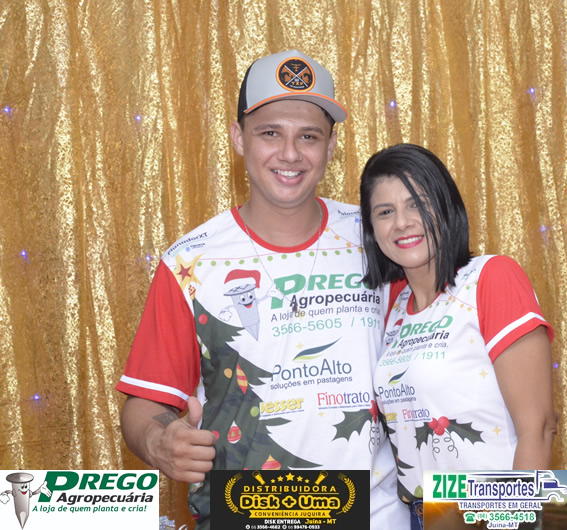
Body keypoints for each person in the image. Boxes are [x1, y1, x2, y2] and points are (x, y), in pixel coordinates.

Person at [116, 49, 408, 528]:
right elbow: (146, 402)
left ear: (331, 145)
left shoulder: (380, 236)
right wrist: (158, 440)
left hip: (373, 514)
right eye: (270, 133)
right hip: (248, 511)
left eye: (308, 136)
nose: (290, 153)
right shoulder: (190, 262)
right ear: (238, 138)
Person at [359, 143, 558, 529]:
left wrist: (512, 521)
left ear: (445, 206)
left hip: (491, 511)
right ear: (372, 229)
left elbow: (540, 427)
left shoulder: (491, 277)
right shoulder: (393, 305)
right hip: (422, 514)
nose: (402, 222)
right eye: (385, 212)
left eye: (417, 204)